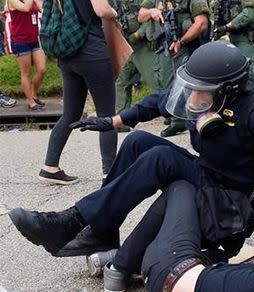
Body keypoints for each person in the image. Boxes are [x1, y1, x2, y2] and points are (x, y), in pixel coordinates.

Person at [9, 42, 254, 262]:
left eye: (201, 94)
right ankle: (103, 232)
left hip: (233, 202)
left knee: (159, 158)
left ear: (228, 92)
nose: (193, 100)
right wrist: (113, 120)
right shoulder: (210, 96)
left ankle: (71, 221)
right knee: (138, 142)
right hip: (210, 175)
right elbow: (161, 100)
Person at [39, 0, 119, 185]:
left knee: (70, 114)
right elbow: (102, 10)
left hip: (68, 53)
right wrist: (114, 13)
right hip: (92, 52)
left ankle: (50, 167)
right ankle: (110, 172)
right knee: (107, 114)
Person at [138, 0, 209, 137]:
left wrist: (181, 42)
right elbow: (141, 15)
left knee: (191, 85)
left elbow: (201, 23)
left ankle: (184, 122)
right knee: (167, 82)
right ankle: (177, 119)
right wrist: (151, 11)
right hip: (166, 45)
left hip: (188, 45)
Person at [114, 0, 162, 119]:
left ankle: (169, 112)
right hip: (127, 45)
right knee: (122, 81)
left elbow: (153, 15)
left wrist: (137, 35)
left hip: (144, 45)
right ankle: (122, 117)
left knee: (156, 81)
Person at [7, 0, 47, 111]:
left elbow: (43, 10)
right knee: (26, 72)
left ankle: (34, 94)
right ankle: (30, 101)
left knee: (42, 69)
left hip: (35, 39)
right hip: (20, 41)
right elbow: (26, 8)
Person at [210, 0, 254, 77]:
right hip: (234, 36)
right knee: (236, 67)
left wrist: (226, 27)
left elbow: (249, 14)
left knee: (247, 69)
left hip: (246, 37)